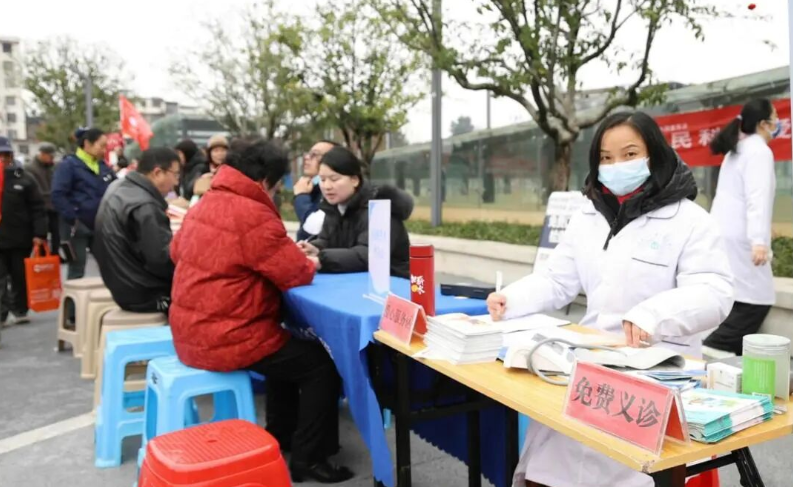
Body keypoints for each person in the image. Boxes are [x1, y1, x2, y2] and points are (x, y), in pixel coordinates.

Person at [486, 112, 734, 487]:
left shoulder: (690, 221)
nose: (617, 165)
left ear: (655, 154)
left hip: (658, 371)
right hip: (588, 366)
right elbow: (556, 279)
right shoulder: (588, 216)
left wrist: (654, 315)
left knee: (633, 470)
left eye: (629, 154)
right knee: (556, 465)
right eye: (606, 157)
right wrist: (511, 298)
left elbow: (714, 292)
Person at [169, 141, 353, 483]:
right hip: (227, 336)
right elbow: (295, 272)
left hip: (189, 331)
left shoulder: (206, 202)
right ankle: (310, 459)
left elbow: (176, 250)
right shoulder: (252, 213)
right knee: (321, 364)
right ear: (266, 180)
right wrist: (304, 258)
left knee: (284, 348)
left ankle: (282, 435)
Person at [704, 99, 779, 355]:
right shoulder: (759, 152)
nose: (777, 123)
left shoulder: (736, 150)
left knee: (738, 298)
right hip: (744, 238)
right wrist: (759, 242)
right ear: (763, 124)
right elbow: (757, 198)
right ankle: (710, 349)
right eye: (774, 118)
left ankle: (719, 353)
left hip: (725, 234)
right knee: (757, 300)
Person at [297, 146, 413, 278]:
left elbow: (368, 255)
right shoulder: (333, 207)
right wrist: (315, 248)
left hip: (392, 282)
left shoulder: (379, 209)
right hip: (354, 280)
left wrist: (321, 260)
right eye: (322, 180)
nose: (327, 186)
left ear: (354, 180)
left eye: (334, 179)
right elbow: (328, 241)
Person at [93, 148, 181, 313]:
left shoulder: (118, 186)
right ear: (158, 173)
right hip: (145, 293)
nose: (176, 183)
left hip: (121, 285)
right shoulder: (145, 205)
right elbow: (162, 261)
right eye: (175, 175)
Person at [52, 128, 115, 280]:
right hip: (76, 228)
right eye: (101, 145)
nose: (104, 150)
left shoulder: (103, 166)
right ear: (87, 144)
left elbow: (116, 187)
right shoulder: (68, 166)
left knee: (110, 267)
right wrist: (73, 218)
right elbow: (58, 194)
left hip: (100, 225)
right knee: (76, 270)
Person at [0, 137, 47, 326]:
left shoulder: (24, 178)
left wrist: (40, 234)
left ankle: (20, 309)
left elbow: (38, 208)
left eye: (6, 155)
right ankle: (1, 314)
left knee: (20, 277)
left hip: (20, 238)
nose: (3, 159)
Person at [293, 140, 339, 241]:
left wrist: (301, 196)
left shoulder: (334, 191)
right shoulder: (313, 187)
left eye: (314, 154)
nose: (307, 157)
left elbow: (313, 225)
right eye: (308, 154)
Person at [24, 143, 60, 253]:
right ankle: (42, 255)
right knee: (41, 234)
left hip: (54, 206)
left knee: (56, 233)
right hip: (39, 207)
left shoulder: (53, 167)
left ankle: (55, 254)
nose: (52, 159)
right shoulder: (29, 168)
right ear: (42, 154)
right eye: (50, 156)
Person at [185, 134, 228, 200]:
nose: (220, 154)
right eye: (216, 151)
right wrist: (202, 179)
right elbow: (189, 190)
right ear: (209, 153)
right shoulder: (202, 168)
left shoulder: (231, 169)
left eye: (222, 150)